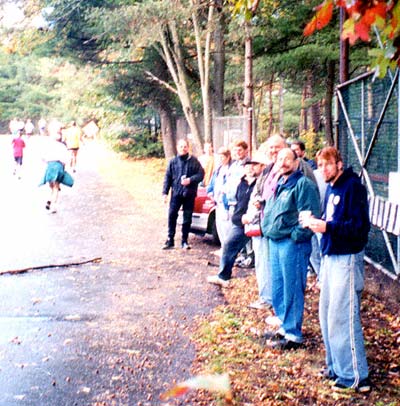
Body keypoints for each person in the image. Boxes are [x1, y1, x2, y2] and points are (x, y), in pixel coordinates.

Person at [307, 146, 371, 393]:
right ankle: (336, 368)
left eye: (328, 164)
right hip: (330, 257)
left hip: (347, 258)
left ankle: (355, 376)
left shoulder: (353, 187)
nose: (323, 169)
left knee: (343, 317)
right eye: (320, 165)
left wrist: (328, 227)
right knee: (326, 315)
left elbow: (358, 227)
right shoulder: (331, 187)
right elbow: (330, 220)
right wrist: (318, 224)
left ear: (339, 164)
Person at [261, 148, 320, 350]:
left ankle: (294, 335)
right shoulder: (280, 183)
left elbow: (309, 215)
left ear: (297, 161)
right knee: (278, 287)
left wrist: (295, 237)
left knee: (292, 288)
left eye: (288, 158)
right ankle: (284, 328)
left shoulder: (303, 184)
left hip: (291, 244)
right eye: (280, 159)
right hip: (275, 241)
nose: (283, 162)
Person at [206, 160, 261, 288]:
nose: (250, 168)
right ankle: (223, 276)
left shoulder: (260, 184)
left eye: (253, 166)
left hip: (256, 221)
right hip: (240, 221)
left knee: (259, 253)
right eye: (247, 166)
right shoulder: (241, 183)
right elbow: (235, 200)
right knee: (229, 244)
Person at [247, 134, 287, 310]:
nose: (273, 151)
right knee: (263, 263)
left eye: (276, 147)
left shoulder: (291, 168)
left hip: (280, 229)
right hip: (263, 224)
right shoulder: (269, 169)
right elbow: (259, 191)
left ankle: (273, 303)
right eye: (270, 148)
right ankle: (268, 299)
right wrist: (256, 204)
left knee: (276, 269)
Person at [162, 139, 204, 250]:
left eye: (185, 146)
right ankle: (170, 239)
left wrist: (190, 180)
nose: (183, 148)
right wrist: (165, 193)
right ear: (177, 147)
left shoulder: (194, 161)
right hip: (176, 193)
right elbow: (167, 178)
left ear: (188, 147)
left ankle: (184, 241)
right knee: (172, 215)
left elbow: (201, 174)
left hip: (189, 194)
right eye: (181, 146)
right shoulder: (173, 162)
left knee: (187, 218)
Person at [39, 132, 74, 213]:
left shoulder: (48, 145)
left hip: (50, 165)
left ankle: (49, 200)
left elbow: (42, 157)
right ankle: (53, 205)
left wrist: (47, 162)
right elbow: (66, 159)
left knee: (51, 185)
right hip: (58, 165)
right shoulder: (62, 146)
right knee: (56, 187)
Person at [206, 147, 233, 249]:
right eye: (220, 157)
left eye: (223, 157)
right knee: (219, 227)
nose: (221, 159)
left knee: (227, 227)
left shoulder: (231, 169)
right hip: (217, 203)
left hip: (225, 203)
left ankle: (227, 249)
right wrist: (210, 193)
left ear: (228, 157)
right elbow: (211, 184)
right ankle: (223, 247)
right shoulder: (217, 170)